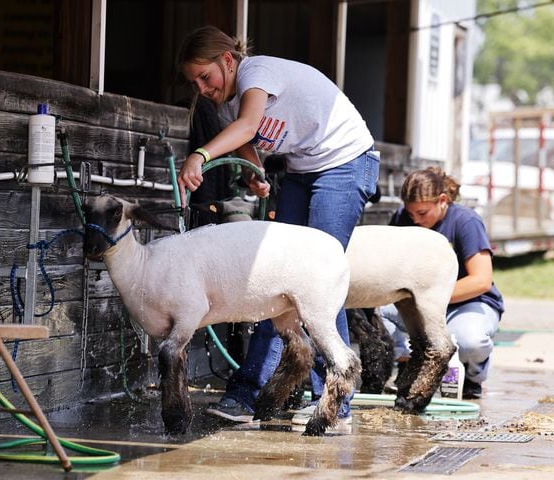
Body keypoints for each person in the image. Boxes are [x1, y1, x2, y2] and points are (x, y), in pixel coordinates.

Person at [176, 25, 379, 425]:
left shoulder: (258, 72)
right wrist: (255, 171)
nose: (201, 88)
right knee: (273, 277)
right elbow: (249, 144)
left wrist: (199, 155)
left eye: (206, 76)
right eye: (193, 82)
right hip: (304, 170)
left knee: (315, 279)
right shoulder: (225, 105)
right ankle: (248, 395)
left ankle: (334, 402)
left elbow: (249, 126)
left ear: (228, 60)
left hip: (346, 163)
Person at [379, 167, 504, 399]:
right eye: (411, 213)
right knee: (380, 313)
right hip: (417, 304)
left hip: (466, 303)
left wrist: (429, 299)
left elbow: (481, 280)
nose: (415, 219)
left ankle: (472, 376)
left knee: (470, 341)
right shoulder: (402, 218)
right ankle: (407, 365)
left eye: (423, 213)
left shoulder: (466, 221)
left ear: (443, 200)